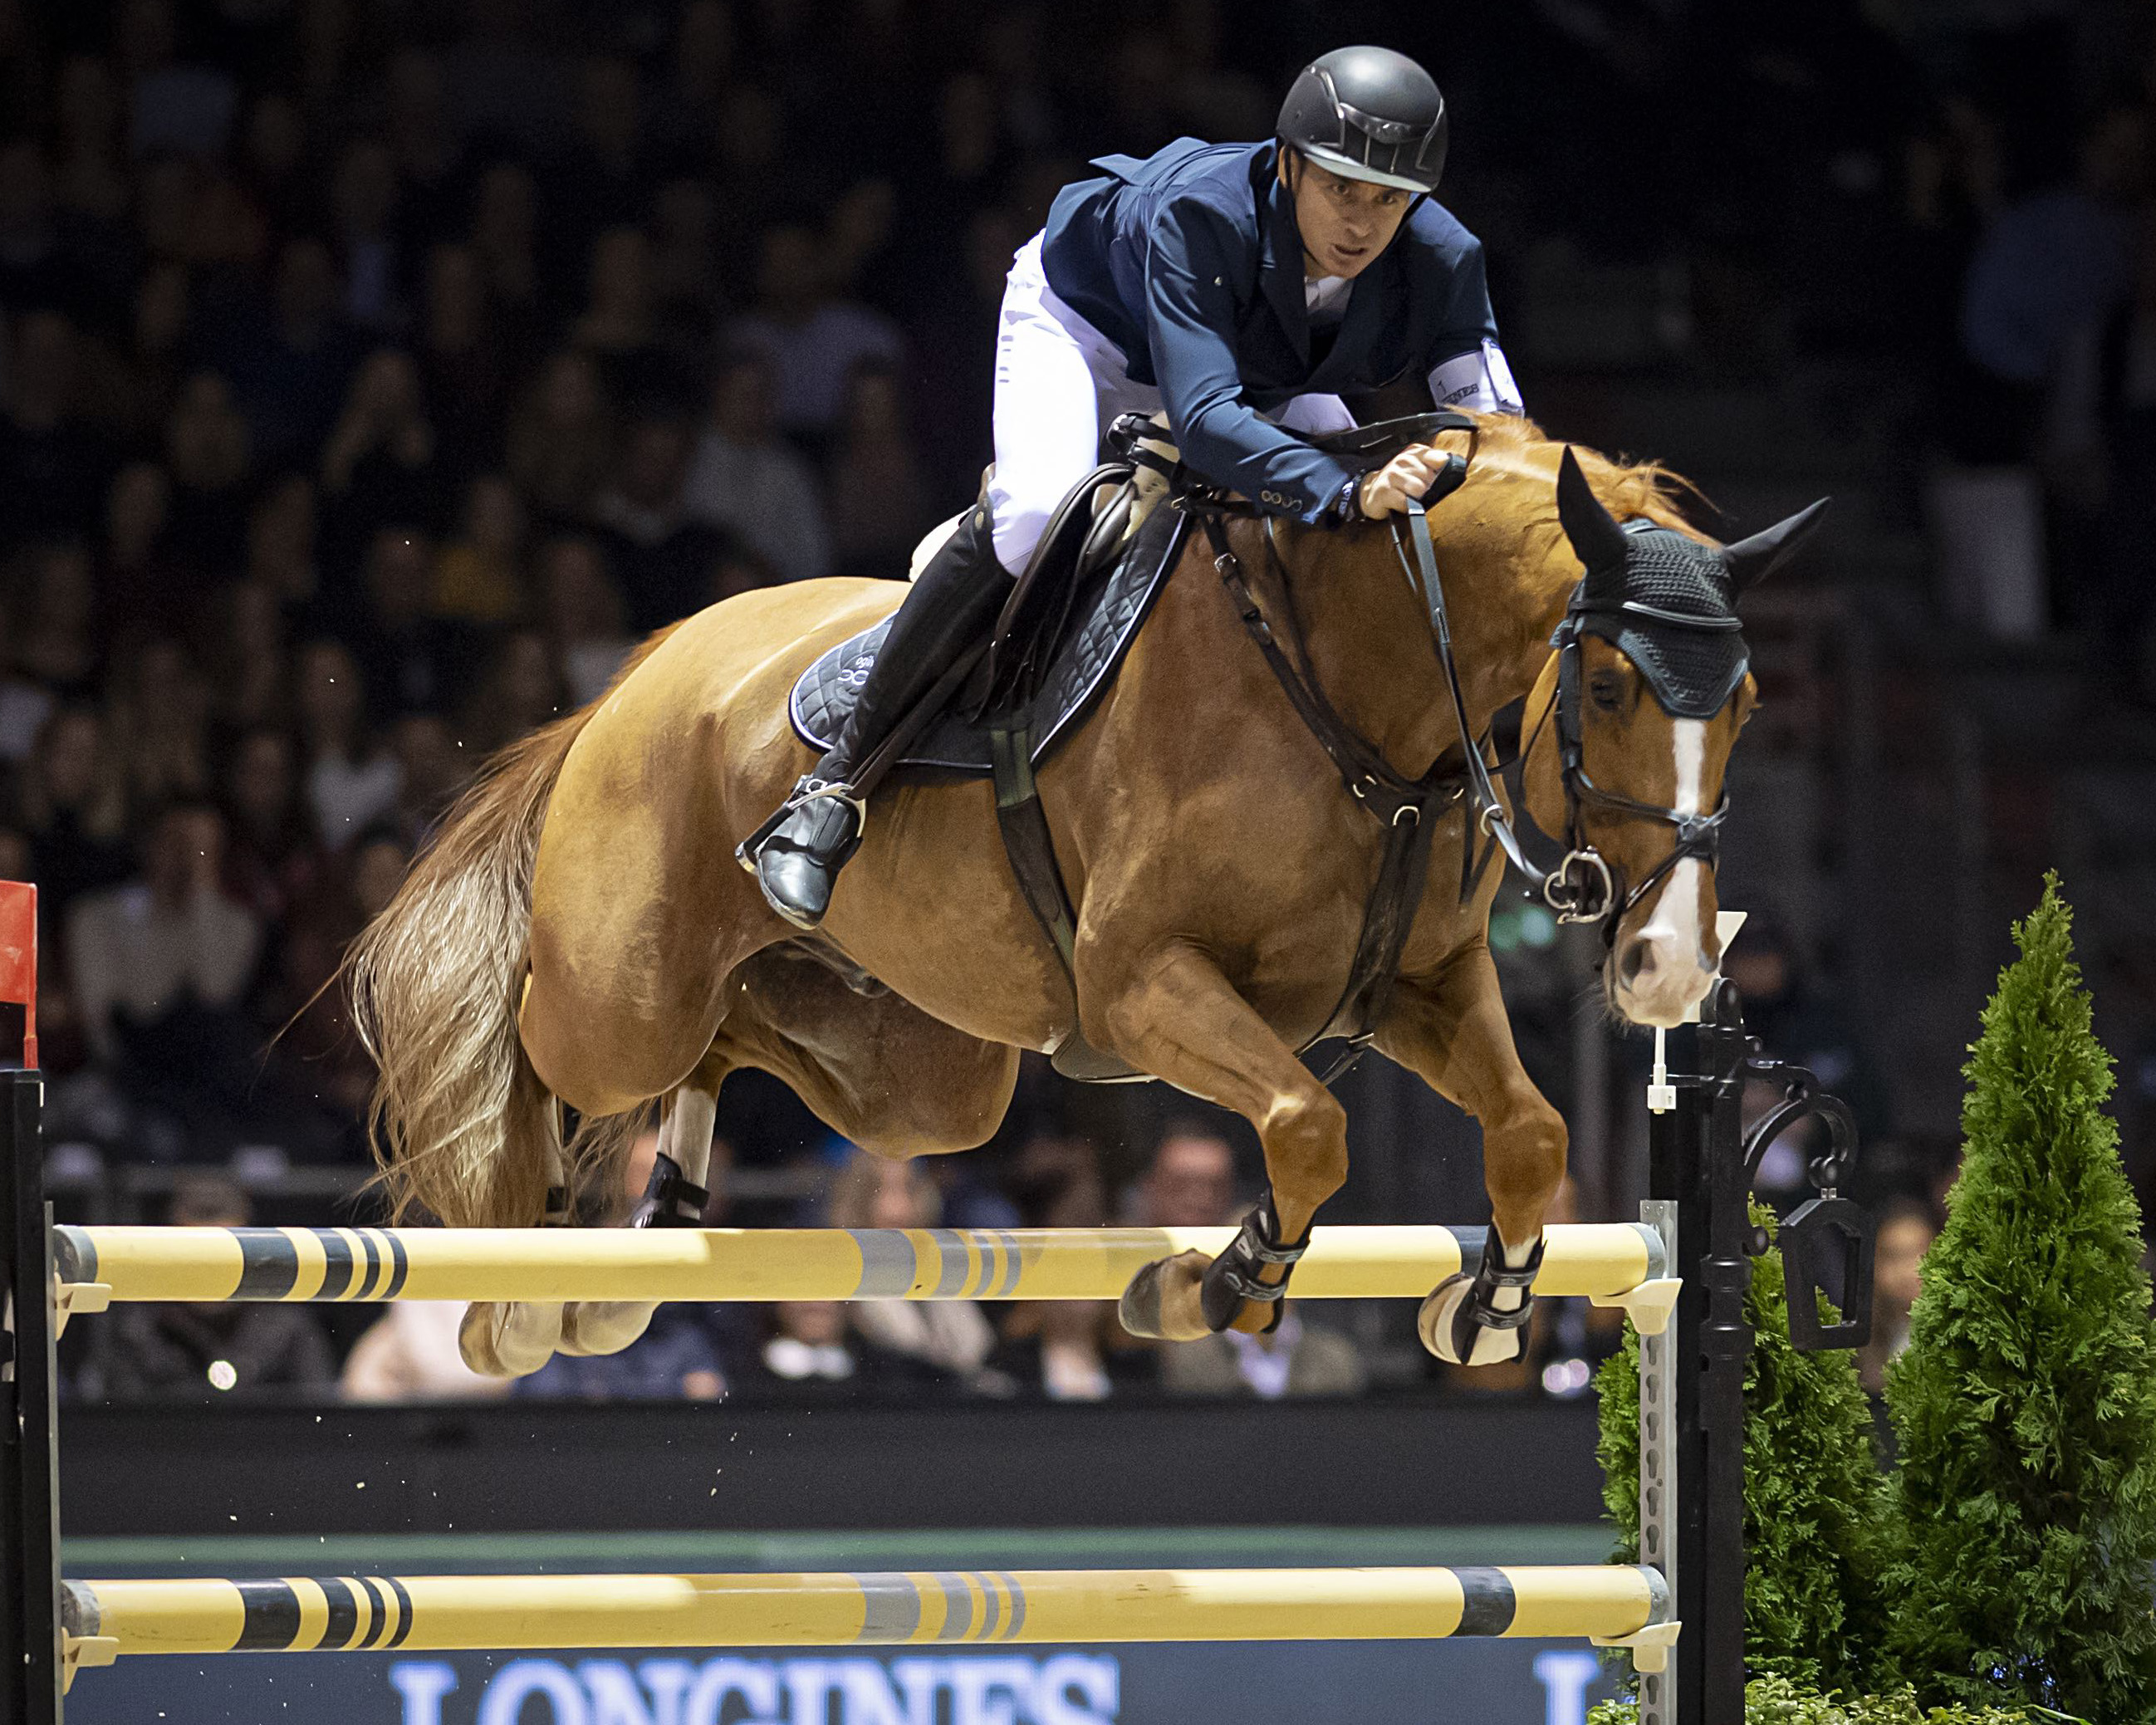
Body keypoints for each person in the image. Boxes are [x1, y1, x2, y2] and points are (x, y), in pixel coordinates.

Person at [744, 46, 1523, 929]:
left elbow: (1499, 431)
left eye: (1389, 200)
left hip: (1245, 367)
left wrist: (1494, 494)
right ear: (1291, 163)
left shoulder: (1443, 256)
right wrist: (1348, 491)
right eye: (1343, 188)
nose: (1362, 224)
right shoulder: (1202, 212)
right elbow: (1202, 420)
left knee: (1361, 533)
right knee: (1037, 518)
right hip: (1090, 333)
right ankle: (831, 790)